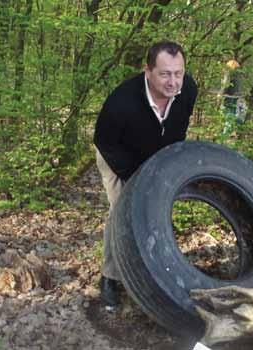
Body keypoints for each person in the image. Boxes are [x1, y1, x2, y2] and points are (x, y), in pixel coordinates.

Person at [93, 41, 198, 307]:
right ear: (147, 71)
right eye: (165, 74)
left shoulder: (188, 89)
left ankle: (154, 270)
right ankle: (110, 277)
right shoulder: (121, 101)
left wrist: (169, 164)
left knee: (156, 207)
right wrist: (134, 176)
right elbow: (104, 141)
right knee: (123, 212)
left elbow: (179, 128)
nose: (173, 81)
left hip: (154, 152)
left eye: (178, 73)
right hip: (117, 156)